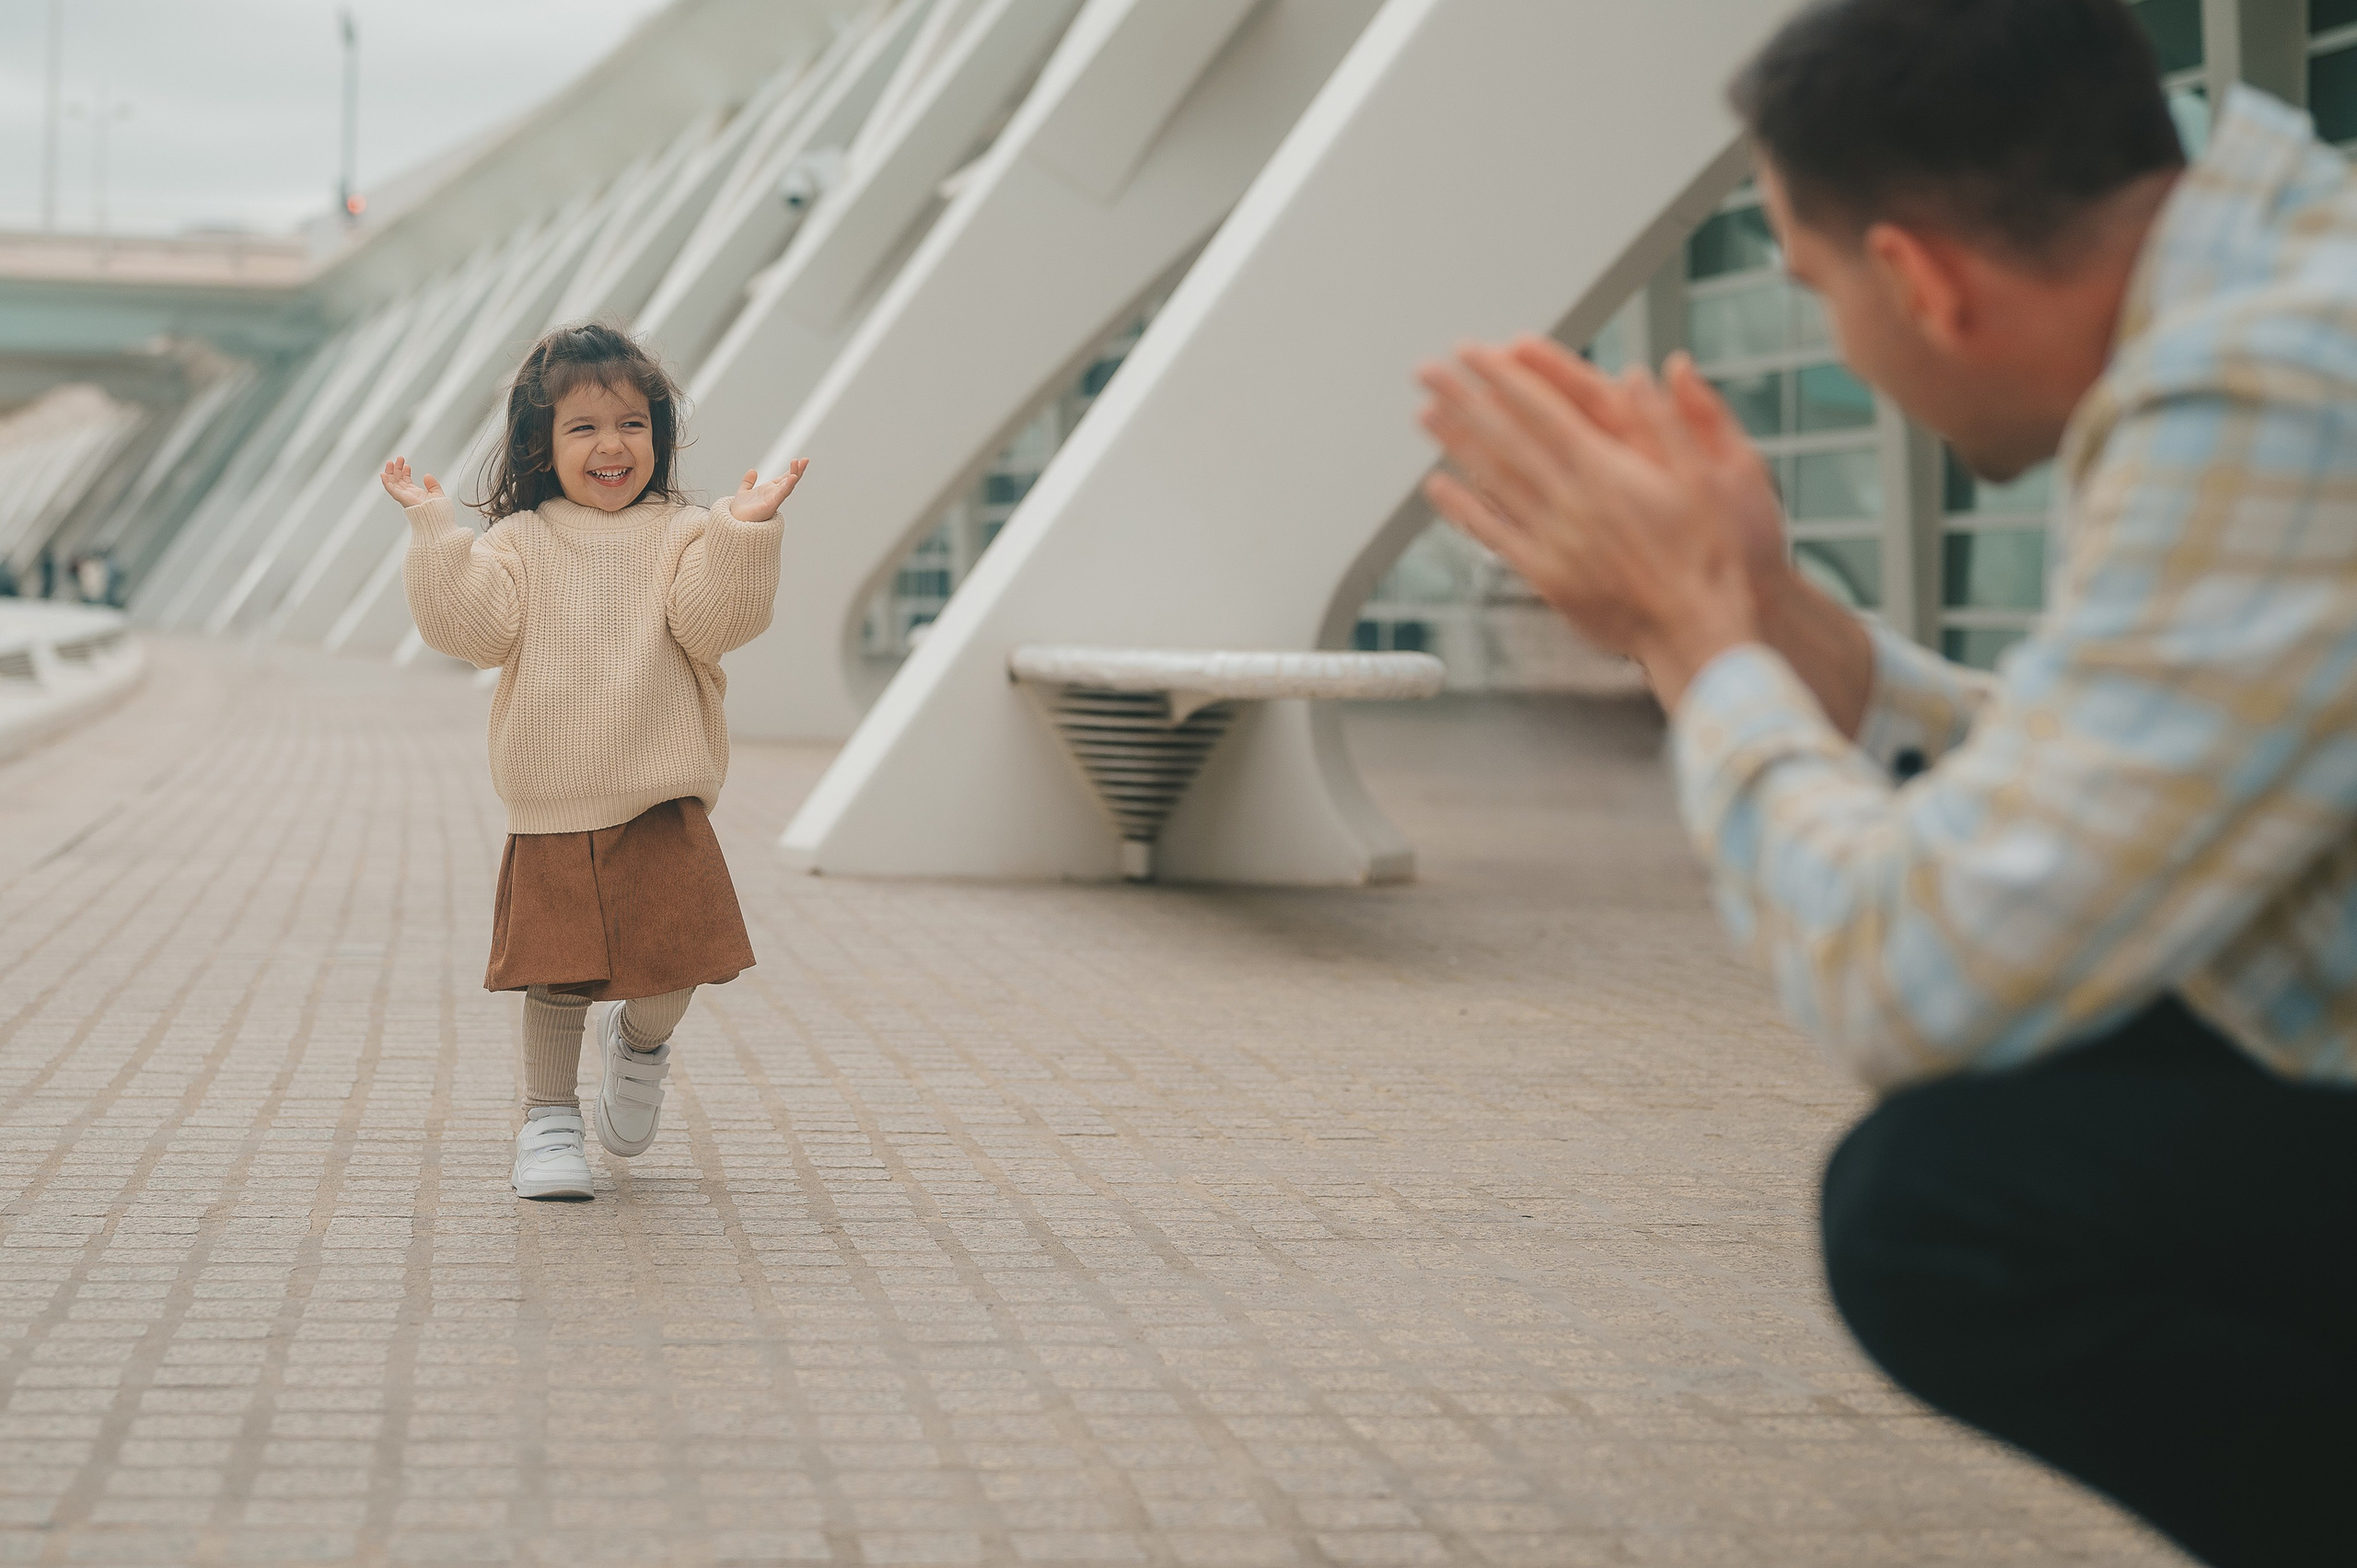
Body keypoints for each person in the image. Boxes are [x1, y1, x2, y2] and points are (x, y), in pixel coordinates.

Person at [1416, 2, 2357, 1563]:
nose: (1839, 332)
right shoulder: (2285, 275)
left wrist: (1692, 639)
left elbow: (1912, 973)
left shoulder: (2268, 399)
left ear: (1915, 276)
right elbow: (2103, 800)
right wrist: (1766, 616)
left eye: (1815, 286)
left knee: (1948, 1205)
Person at [381, 322, 807, 1202]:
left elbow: (713, 622)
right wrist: (433, 531)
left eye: (633, 424)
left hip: (662, 797)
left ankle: (640, 1045)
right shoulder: (521, 542)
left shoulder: (687, 531)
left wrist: (742, 530)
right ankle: (547, 1121)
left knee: (679, 965)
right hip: (552, 802)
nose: (612, 445)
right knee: (558, 979)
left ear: (657, 435)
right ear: (540, 443)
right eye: (583, 427)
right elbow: (474, 630)